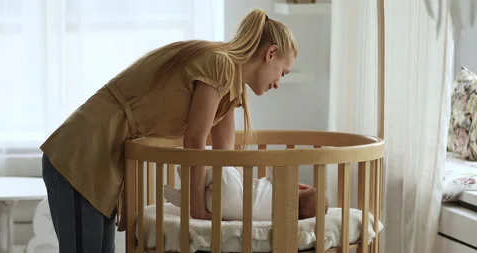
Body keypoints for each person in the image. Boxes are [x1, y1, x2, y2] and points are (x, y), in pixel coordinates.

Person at [40, 7, 298, 253]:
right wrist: (196, 206)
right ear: (271, 53)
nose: (278, 84)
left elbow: (224, 156)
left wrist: (248, 199)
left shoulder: (231, 85)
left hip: (103, 156)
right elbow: (195, 140)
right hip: (84, 150)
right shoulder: (220, 65)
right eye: (283, 73)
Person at [165, 166, 329, 221]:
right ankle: (181, 197)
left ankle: (191, 178)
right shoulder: (283, 218)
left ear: (302, 189)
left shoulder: (284, 191)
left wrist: (292, 183)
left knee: (226, 168)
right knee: (207, 199)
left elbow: (275, 168)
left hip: (234, 192)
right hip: (224, 211)